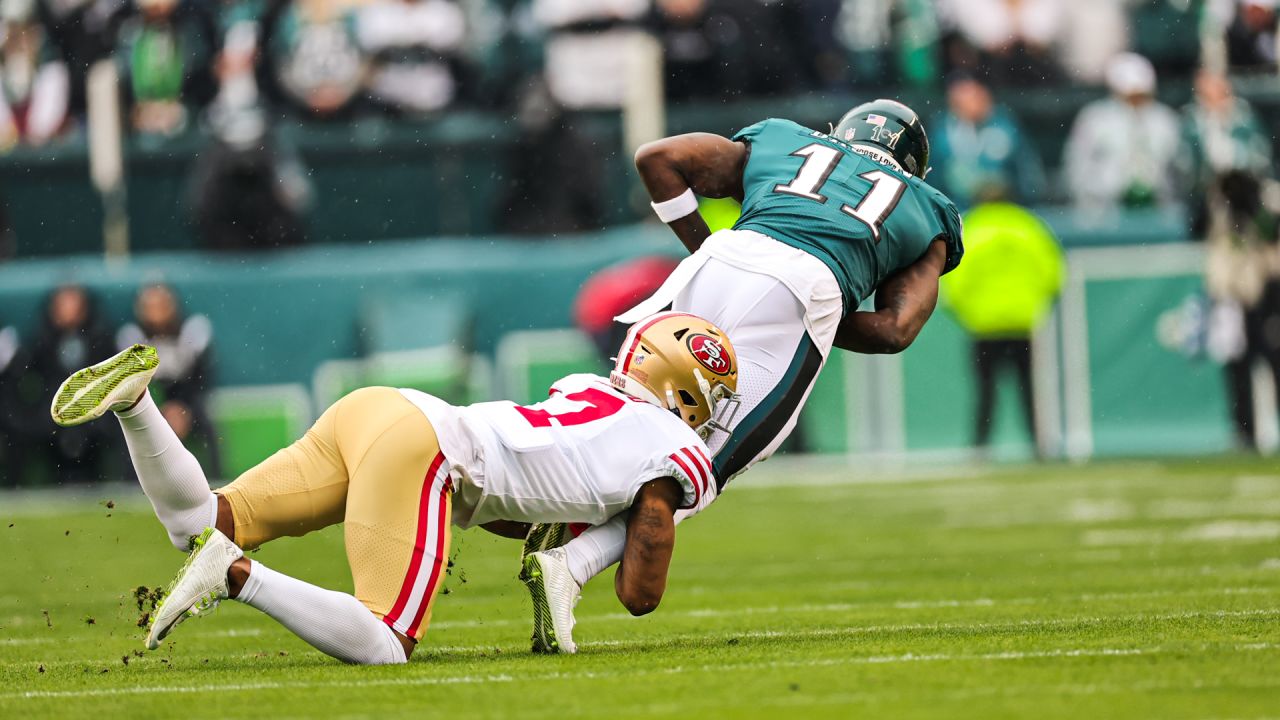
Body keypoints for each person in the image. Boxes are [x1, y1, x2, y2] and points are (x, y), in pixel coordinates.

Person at [522, 98, 964, 652]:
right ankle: (573, 563)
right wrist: (825, 310)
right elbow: (895, 329)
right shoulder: (926, 206)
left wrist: (704, 248)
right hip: (807, 287)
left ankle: (566, 499)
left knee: (635, 419)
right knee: (704, 466)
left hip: (716, 262)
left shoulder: (783, 140)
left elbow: (657, 158)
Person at [49, 312, 739, 662]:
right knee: (385, 641)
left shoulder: (587, 389)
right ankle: (233, 577)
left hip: (382, 410)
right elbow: (641, 590)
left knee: (204, 516)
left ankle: (136, 402)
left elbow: (520, 494)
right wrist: (624, 545)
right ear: (687, 392)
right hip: (426, 449)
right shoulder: (677, 447)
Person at [939, 202, 1064, 455]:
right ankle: (1039, 446)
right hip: (1022, 323)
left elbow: (953, 282)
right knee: (1029, 390)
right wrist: (1035, 305)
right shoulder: (1029, 226)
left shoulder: (971, 227)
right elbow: (1053, 272)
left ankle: (980, 447)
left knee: (985, 391)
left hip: (984, 326)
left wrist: (967, 313)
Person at [117, 283, 222, 478]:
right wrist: (159, 406)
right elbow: (130, 384)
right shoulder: (132, 336)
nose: (156, 312)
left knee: (208, 425)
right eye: (150, 306)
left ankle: (215, 478)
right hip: (149, 400)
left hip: (186, 400)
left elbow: (200, 378)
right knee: (127, 426)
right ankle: (131, 483)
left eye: (162, 305)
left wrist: (183, 408)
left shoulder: (192, 331)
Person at [1063, 52, 1184, 211]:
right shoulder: (1094, 119)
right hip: (1105, 209)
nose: (1135, 102)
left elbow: (1179, 169)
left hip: (1159, 206)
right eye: (1129, 96)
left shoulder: (1165, 120)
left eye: (1141, 95)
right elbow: (1076, 168)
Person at [29, 284, 118, 484]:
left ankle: (119, 482)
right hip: (51, 408)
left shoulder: (100, 336)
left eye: (74, 304)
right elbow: (32, 374)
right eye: (63, 305)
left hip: (95, 406)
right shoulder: (42, 339)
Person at [929, 73, 1043, 210]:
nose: (971, 102)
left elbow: (1026, 172)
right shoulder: (943, 133)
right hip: (958, 209)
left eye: (976, 95)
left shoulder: (1006, 126)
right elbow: (935, 179)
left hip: (1006, 206)